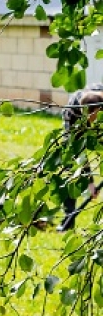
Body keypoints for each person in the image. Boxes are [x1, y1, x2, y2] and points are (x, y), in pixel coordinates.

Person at [58, 86, 103, 231]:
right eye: (90, 120)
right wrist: (89, 182)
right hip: (75, 131)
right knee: (71, 170)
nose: (93, 124)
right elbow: (77, 153)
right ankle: (68, 221)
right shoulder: (72, 113)